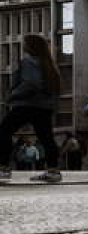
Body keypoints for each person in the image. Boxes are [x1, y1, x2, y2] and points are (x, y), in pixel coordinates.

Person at [0, 35, 62, 182]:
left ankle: (3, 169)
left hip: (26, 104)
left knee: (3, 132)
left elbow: (31, 83)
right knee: (46, 137)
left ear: (30, 46)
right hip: (44, 107)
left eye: (25, 43)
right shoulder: (49, 64)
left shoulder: (28, 61)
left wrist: (12, 96)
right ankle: (53, 172)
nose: (23, 45)